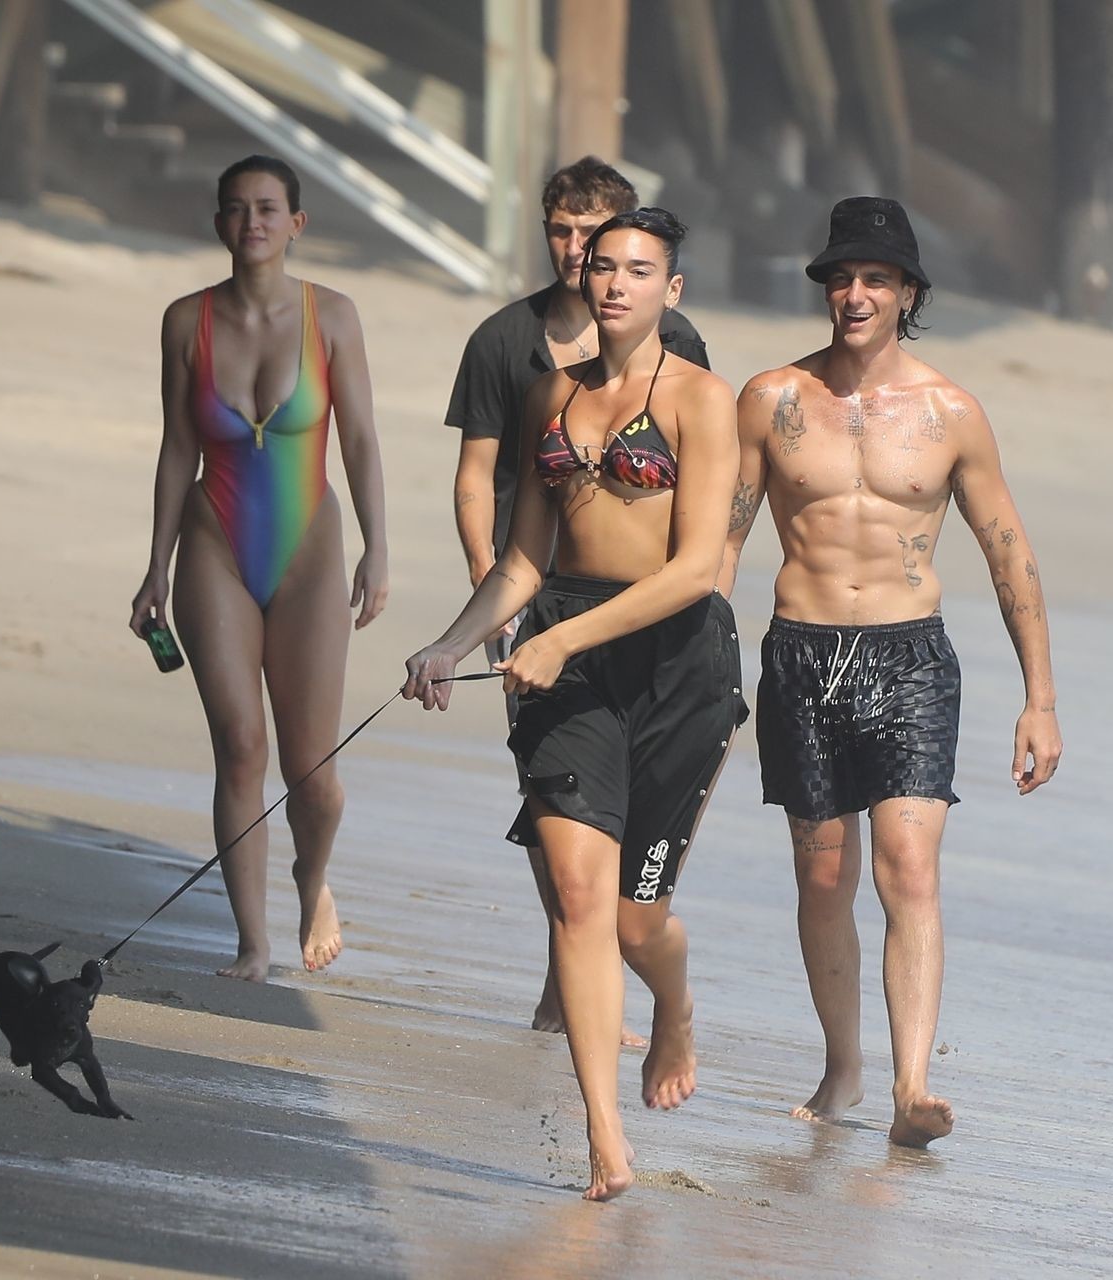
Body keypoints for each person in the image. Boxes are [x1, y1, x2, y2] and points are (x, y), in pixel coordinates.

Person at [405, 209, 742, 1200]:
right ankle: (605, 1134)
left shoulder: (702, 399)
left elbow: (695, 569)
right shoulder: (549, 394)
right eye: (602, 266)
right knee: (579, 895)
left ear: (671, 290)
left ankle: (672, 1004)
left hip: (678, 665)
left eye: (638, 269)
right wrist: (450, 642)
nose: (615, 283)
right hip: (569, 664)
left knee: (638, 924)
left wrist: (563, 638)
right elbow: (523, 559)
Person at [721, 197, 1062, 1148]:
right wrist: (699, 656)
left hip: (910, 659)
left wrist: (1040, 699)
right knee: (824, 877)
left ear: (909, 292)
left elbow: (1009, 553)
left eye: (876, 278)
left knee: (908, 867)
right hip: (803, 656)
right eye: (841, 277)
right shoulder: (773, 400)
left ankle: (914, 1088)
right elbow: (724, 541)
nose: (856, 294)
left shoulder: (952, 413)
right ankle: (845, 1066)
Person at [445, 156, 710, 1039]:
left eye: (620, 256)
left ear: (667, 282)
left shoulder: (689, 367)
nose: (593, 266)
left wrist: (707, 591)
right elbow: (488, 494)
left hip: (663, 636)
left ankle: (646, 988)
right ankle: (576, 1002)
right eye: (581, 247)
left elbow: (706, 522)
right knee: (564, 840)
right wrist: (467, 619)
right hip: (544, 611)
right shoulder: (517, 358)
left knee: (635, 889)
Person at [131, 155, 389, 982]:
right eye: (238, 208)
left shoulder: (333, 316)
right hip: (214, 543)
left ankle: (312, 878)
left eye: (269, 208)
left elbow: (359, 439)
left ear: (296, 224)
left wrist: (378, 546)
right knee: (241, 746)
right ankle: (252, 942)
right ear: (220, 223)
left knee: (312, 774)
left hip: (310, 551)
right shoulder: (186, 321)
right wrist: (156, 566)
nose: (253, 222)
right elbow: (177, 448)